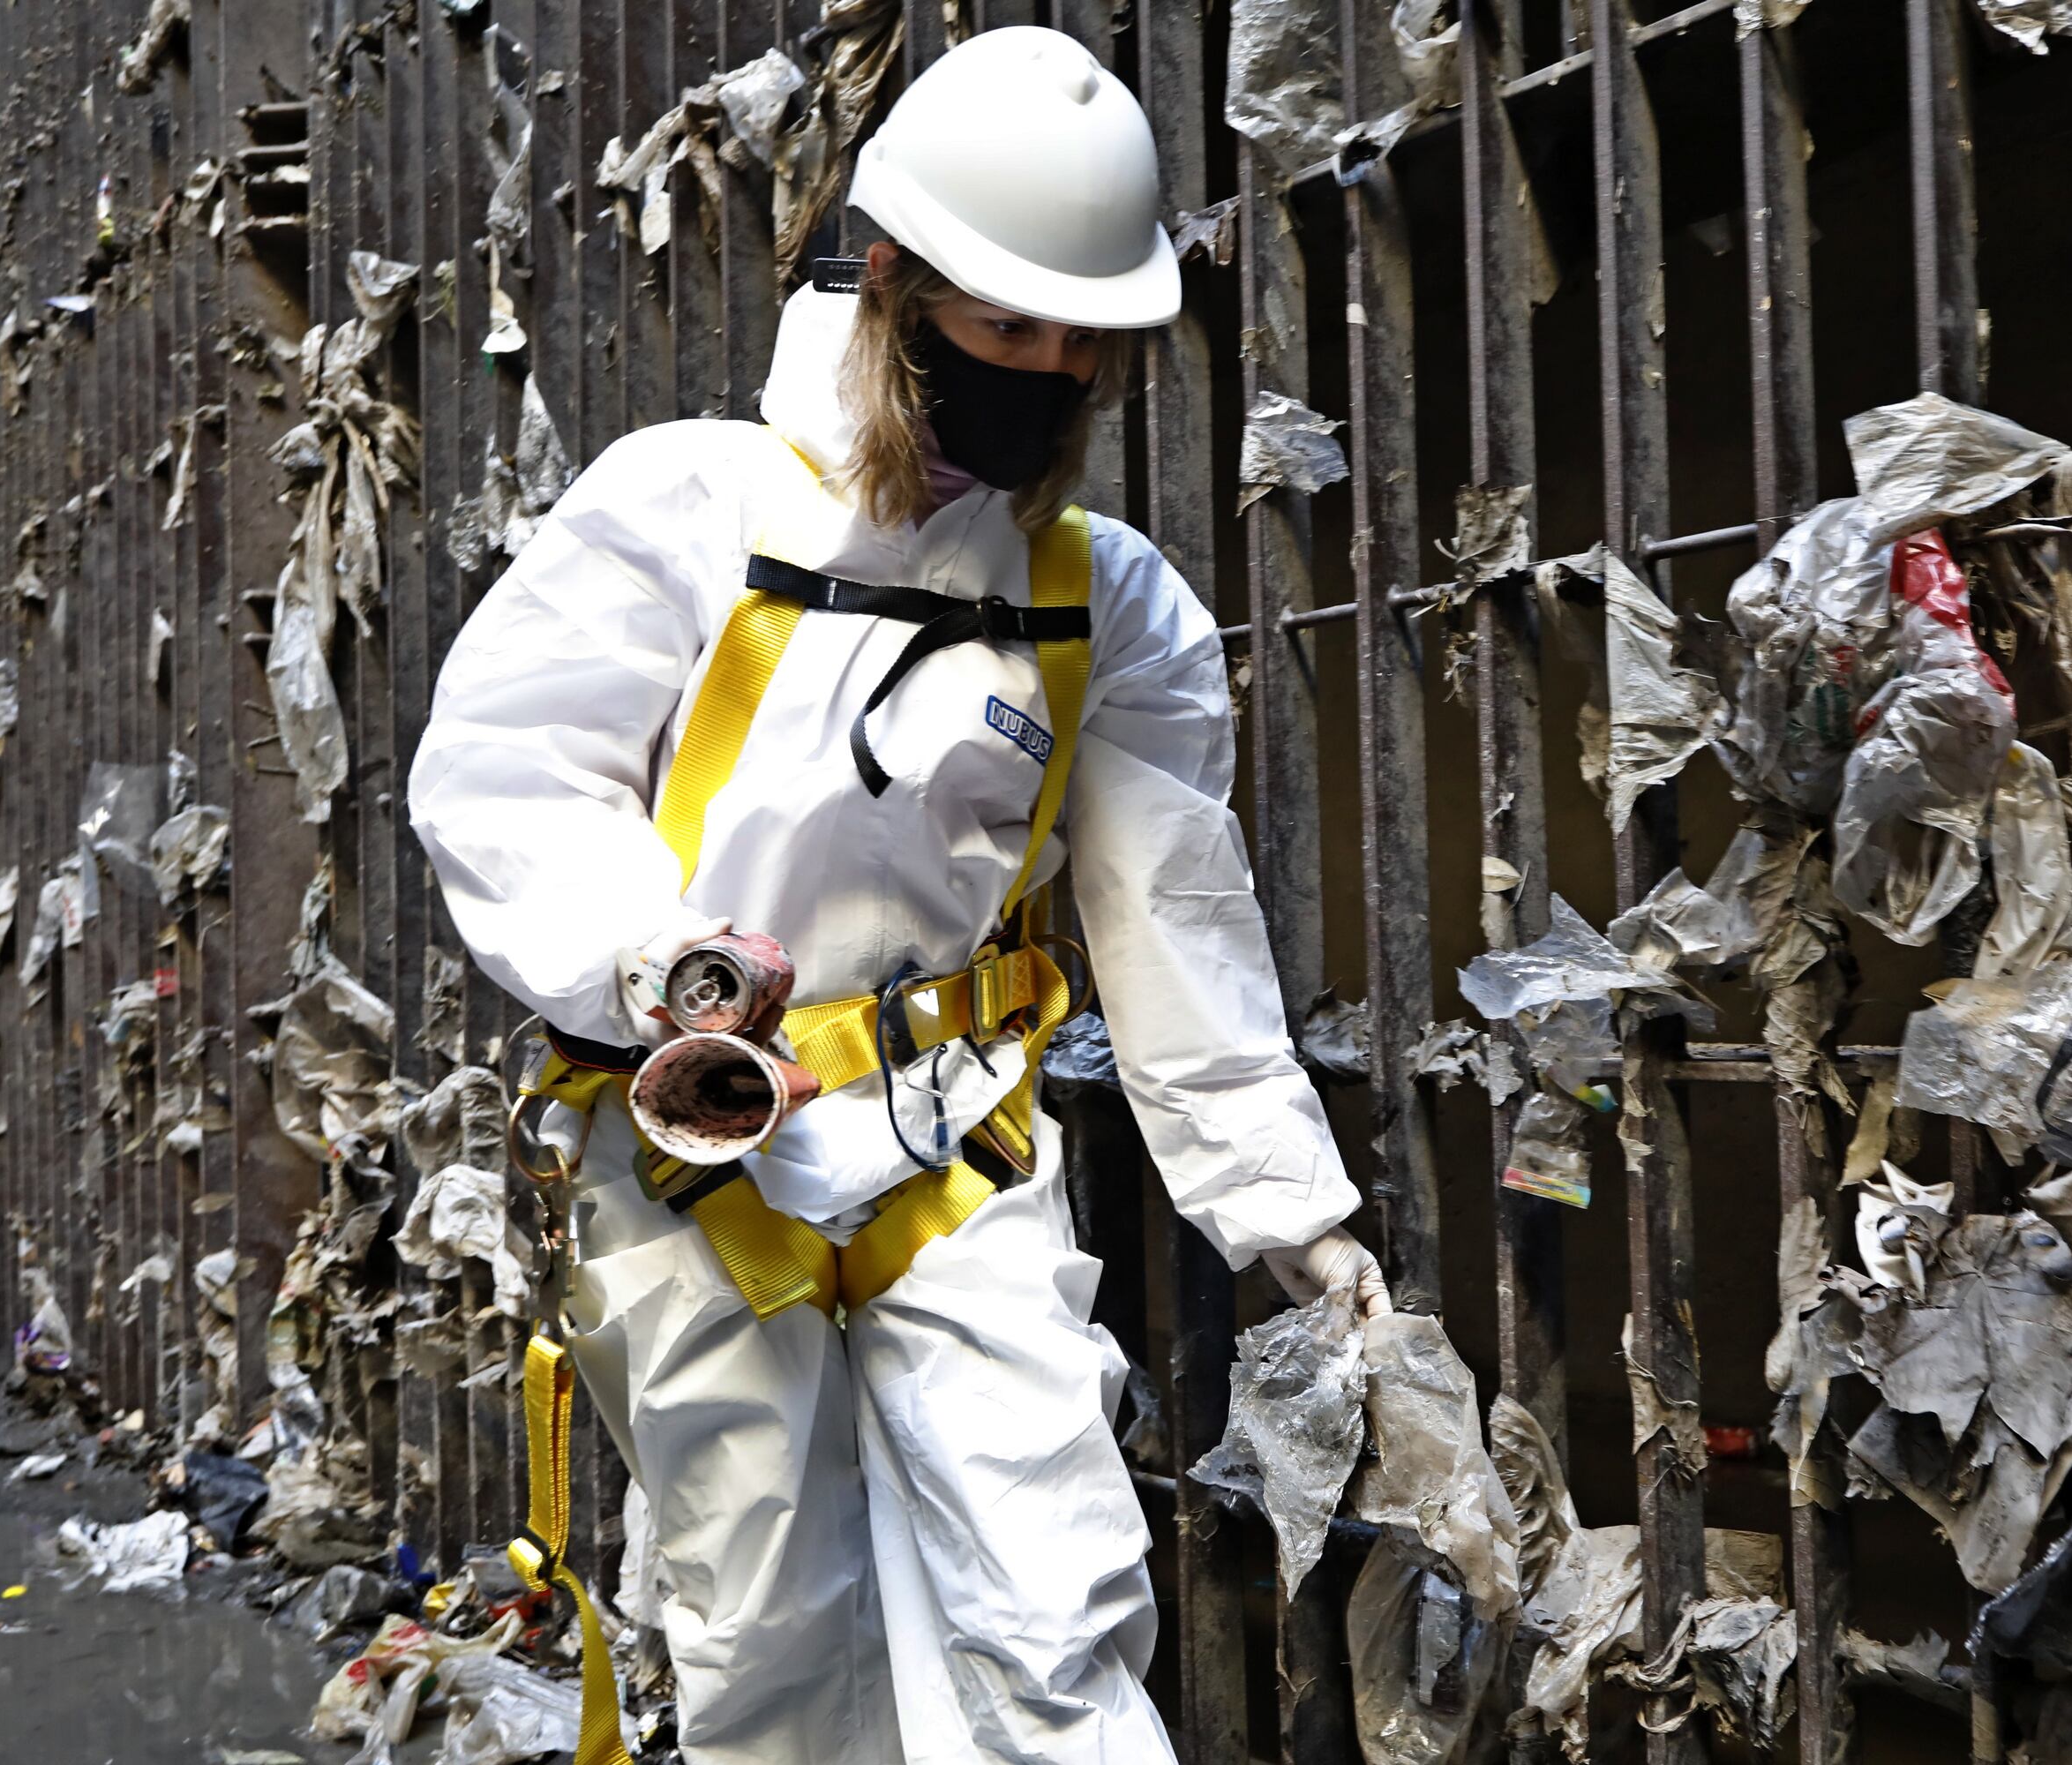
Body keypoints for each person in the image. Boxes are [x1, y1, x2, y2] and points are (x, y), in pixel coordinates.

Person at [409, 26, 1390, 1765]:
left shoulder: (1107, 601)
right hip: (702, 1144)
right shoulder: (687, 512)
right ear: (894, 291)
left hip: (956, 1144)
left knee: (1055, 1593)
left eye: (1083, 340)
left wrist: (1282, 1205)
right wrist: (656, 961)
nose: (1049, 368)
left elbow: (1177, 912)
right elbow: (505, 781)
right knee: (771, 1627)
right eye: (1008, 324)